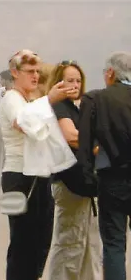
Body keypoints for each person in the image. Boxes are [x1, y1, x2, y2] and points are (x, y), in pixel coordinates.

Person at [3, 49, 71, 280]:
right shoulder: (11, 99)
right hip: (19, 176)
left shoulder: (32, 100)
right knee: (22, 242)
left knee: (42, 239)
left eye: (37, 72)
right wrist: (49, 100)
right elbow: (25, 123)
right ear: (15, 72)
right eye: (30, 71)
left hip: (39, 174)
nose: (35, 76)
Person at [79, 52, 131, 280]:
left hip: (112, 180)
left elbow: (85, 145)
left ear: (110, 73)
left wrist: (88, 181)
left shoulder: (95, 100)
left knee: (114, 243)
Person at [46, 60, 99, 280]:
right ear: (58, 82)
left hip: (84, 184)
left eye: (78, 80)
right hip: (69, 183)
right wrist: (100, 146)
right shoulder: (59, 107)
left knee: (89, 242)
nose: (75, 85)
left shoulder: (78, 107)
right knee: (70, 242)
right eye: (69, 80)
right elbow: (71, 137)